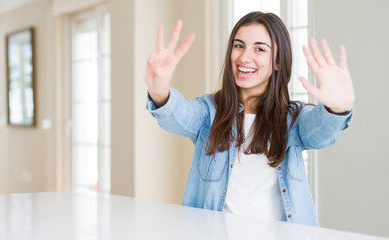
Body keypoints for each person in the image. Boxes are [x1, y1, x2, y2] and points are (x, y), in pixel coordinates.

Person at [145, 11, 354, 226]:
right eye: (239, 45)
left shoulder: (294, 119)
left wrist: (337, 107)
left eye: (260, 49)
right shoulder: (209, 112)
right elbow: (179, 116)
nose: (244, 57)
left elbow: (320, 131)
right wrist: (159, 90)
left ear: (278, 62)